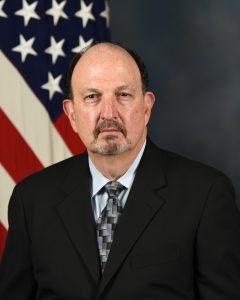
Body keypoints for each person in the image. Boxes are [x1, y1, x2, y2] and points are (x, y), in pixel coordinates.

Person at [0, 42, 240, 300]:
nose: (109, 113)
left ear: (146, 107)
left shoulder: (206, 195)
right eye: (92, 97)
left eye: (123, 95)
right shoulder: (32, 199)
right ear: (71, 114)